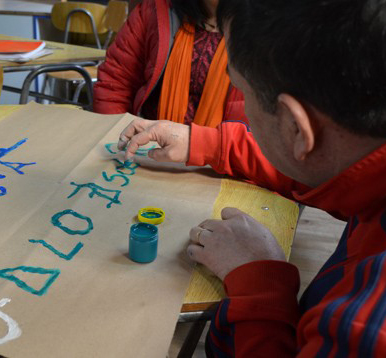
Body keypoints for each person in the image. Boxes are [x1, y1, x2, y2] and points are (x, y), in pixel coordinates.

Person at [118, 0, 386, 356]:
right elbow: (326, 167)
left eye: (243, 92)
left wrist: (260, 283)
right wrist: (205, 142)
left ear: (295, 126)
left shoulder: (365, 330)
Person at [93, 0, 245, 128]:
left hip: (222, 159)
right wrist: (116, 139)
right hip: (143, 149)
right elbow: (116, 82)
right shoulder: (156, 10)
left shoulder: (263, 32)